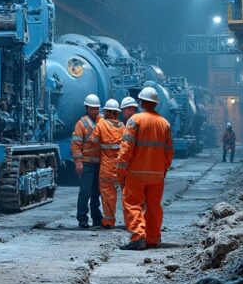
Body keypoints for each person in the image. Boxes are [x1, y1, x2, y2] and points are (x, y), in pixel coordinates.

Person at [116, 86, 174, 250]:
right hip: (157, 175)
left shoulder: (135, 121)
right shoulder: (165, 124)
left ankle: (138, 237)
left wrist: (120, 171)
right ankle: (153, 239)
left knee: (132, 204)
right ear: (156, 104)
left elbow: (126, 148)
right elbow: (169, 152)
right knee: (154, 206)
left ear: (141, 102)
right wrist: (163, 170)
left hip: (136, 174)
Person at [92, 99, 125, 229]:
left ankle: (109, 221)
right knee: (127, 195)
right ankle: (131, 221)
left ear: (105, 112)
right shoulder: (123, 127)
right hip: (121, 166)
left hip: (106, 166)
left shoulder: (101, 125)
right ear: (117, 113)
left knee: (108, 195)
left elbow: (93, 140)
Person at [71, 94, 103, 228]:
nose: (95, 111)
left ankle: (97, 218)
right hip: (87, 163)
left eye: (96, 108)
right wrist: (78, 162)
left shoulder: (102, 120)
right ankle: (82, 218)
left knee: (97, 192)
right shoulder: (82, 123)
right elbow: (76, 144)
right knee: (85, 192)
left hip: (100, 163)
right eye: (92, 109)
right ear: (87, 108)